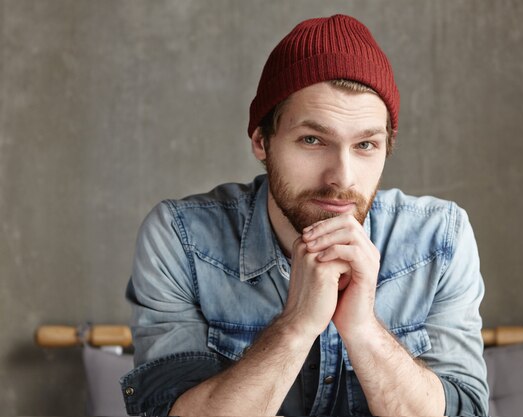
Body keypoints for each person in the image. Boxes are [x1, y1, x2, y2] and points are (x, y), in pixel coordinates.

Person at [120, 14, 488, 416]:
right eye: (312, 140)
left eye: (365, 145)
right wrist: (296, 326)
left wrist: (363, 331)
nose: (341, 178)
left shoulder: (440, 239)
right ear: (262, 141)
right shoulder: (181, 239)